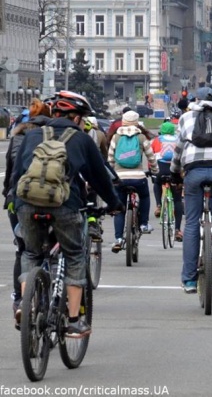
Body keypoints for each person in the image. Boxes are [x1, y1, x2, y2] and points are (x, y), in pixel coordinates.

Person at [11, 90, 123, 336]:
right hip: (65, 204)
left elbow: (17, 174)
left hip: (27, 203)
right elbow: (99, 178)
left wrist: (14, 202)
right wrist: (115, 204)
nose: (83, 122)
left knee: (31, 252)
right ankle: (74, 320)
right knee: (73, 255)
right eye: (82, 118)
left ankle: (26, 302)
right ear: (74, 117)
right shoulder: (82, 139)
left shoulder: (32, 136)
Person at [170, 86, 212, 293]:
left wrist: (175, 172)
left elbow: (179, 149)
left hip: (193, 170)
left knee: (191, 222)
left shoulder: (186, 119)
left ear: (196, 100)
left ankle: (189, 280)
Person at [3, 99, 51, 324]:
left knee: (23, 249)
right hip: (49, 200)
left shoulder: (16, 139)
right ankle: (49, 296)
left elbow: (11, 173)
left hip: (18, 201)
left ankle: (20, 298)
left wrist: (9, 197)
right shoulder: (51, 137)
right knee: (52, 248)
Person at [108, 110, 159, 252]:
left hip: (120, 178)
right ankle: (143, 224)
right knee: (145, 196)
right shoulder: (141, 137)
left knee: (120, 209)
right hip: (138, 177)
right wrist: (155, 171)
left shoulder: (116, 137)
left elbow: (110, 159)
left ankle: (118, 239)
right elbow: (151, 158)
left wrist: (112, 175)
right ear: (137, 122)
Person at [151, 121, 184, 241]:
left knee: (157, 183)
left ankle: (159, 205)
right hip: (175, 171)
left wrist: (151, 170)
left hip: (160, 169)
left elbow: (151, 156)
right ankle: (177, 229)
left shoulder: (157, 140)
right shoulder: (178, 139)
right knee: (177, 200)